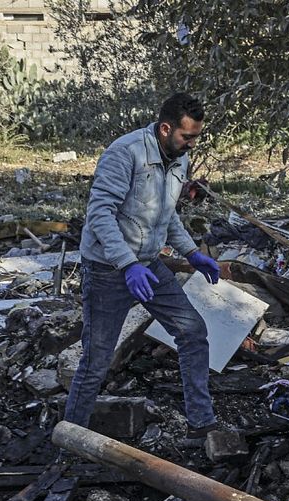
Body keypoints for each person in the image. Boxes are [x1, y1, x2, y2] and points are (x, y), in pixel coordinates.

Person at [65, 92, 221, 447]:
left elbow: (167, 214)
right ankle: (69, 440)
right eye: (187, 136)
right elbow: (99, 215)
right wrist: (127, 264)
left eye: (196, 136)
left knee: (192, 331)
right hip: (107, 269)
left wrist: (192, 252)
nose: (192, 144)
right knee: (96, 361)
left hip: (148, 266)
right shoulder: (126, 153)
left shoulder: (179, 159)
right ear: (166, 129)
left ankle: (201, 424)